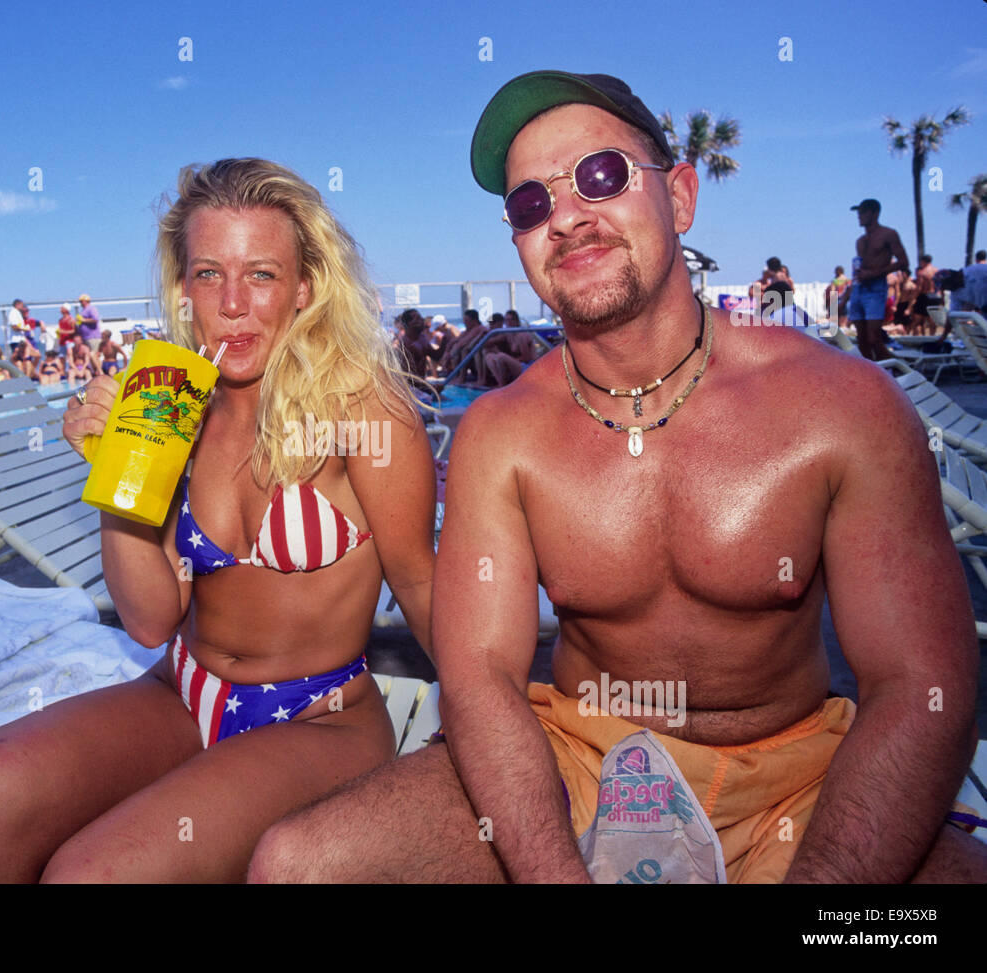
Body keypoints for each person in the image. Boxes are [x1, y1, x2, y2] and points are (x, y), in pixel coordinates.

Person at [249, 69, 986, 884]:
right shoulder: (501, 434)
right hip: (581, 760)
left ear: (680, 197)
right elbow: (481, 678)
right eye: (530, 204)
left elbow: (922, 687)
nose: (564, 214)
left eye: (601, 175)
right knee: (297, 865)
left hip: (796, 781)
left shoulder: (841, 407)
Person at [0, 157, 435, 883]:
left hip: (320, 721)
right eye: (206, 274)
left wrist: (493, 729)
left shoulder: (365, 412)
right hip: (180, 691)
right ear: (182, 289)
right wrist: (117, 473)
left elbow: (421, 583)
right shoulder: (169, 402)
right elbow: (153, 620)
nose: (231, 303)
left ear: (305, 288)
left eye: (260, 274)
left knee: (92, 874)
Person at [847, 198, 910, 360]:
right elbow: (859, 270)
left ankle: (898, 372)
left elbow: (903, 262)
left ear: (874, 214)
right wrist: (845, 297)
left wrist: (876, 273)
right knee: (861, 340)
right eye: (858, 213)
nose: (859, 216)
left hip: (875, 288)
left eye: (863, 212)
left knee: (874, 338)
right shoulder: (860, 241)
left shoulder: (888, 234)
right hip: (859, 288)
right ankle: (871, 374)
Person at [909, 255, 942, 337]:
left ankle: (913, 336)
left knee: (917, 319)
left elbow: (919, 288)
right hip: (936, 296)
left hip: (925, 296)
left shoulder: (923, 272)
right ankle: (932, 336)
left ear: (923, 261)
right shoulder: (937, 271)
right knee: (932, 319)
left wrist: (914, 298)